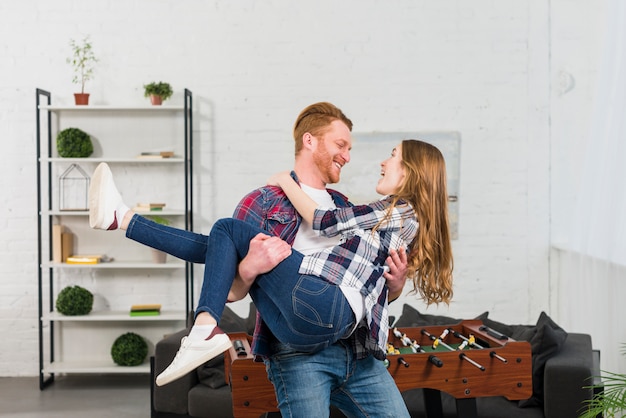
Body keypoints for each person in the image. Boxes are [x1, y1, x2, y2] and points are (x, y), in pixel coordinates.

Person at [89, 102, 452, 417]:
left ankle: (127, 226)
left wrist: (396, 285)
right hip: (298, 348)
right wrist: (251, 266)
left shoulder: (346, 207)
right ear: (311, 141)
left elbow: (362, 279)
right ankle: (124, 221)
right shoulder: (264, 202)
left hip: (354, 348)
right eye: (341, 145)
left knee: (223, 233)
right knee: (225, 234)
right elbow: (229, 288)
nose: (349, 155)